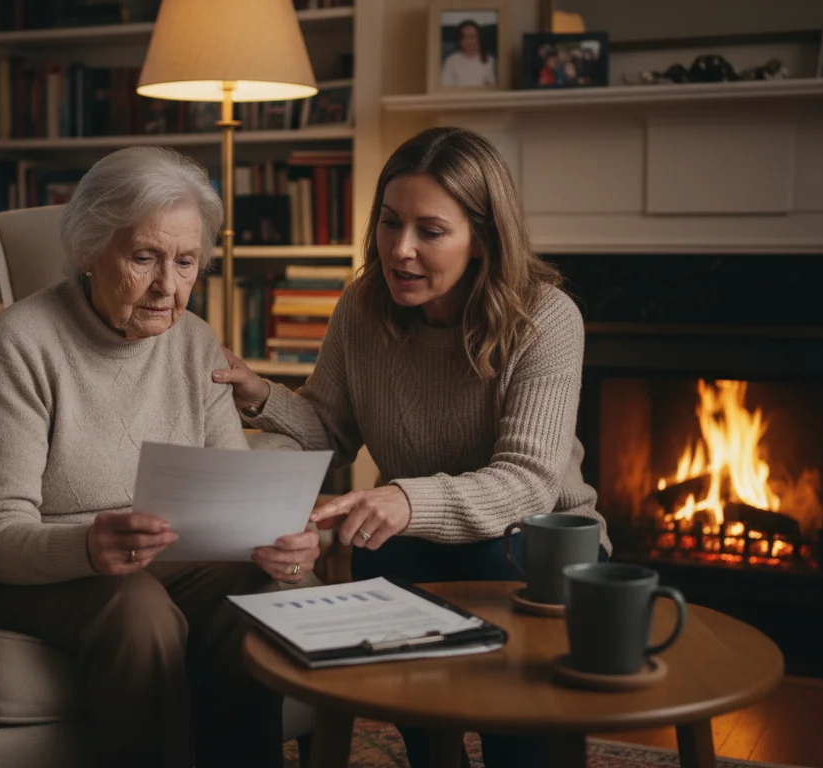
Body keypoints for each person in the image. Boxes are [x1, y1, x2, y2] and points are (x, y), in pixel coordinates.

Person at [213, 126, 611, 768]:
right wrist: (262, 395)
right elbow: (330, 432)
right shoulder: (360, 307)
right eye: (389, 223)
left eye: (430, 230)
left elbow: (529, 481)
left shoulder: (546, 318)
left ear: (481, 237)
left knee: (519, 732)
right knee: (386, 569)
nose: (400, 250)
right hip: (412, 540)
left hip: (535, 547)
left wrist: (402, 497)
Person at [0, 146, 320, 768]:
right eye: (144, 257)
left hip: (151, 554)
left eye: (186, 262)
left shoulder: (195, 344)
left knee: (254, 587)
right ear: (89, 250)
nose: (169, 285)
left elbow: (230, 495)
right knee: (135, 607)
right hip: (12, 561)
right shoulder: (23, 341)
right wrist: (88, 546)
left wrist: (286, 544)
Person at [441, 19, 496, 87]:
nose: (469, 41)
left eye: (472, 37)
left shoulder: (489, 59)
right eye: (465, 37)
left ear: (479, 39)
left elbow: (493, 88)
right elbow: (446, 87)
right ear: (459, 40)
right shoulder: (451, 61)